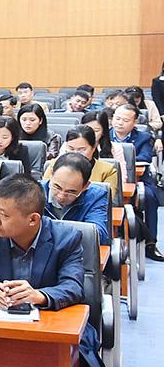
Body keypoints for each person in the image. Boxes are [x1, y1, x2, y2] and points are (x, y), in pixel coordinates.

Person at [0, 175, 102, 367]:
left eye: (3, 214)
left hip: (48, 331)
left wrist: (38, 296)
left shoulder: (66, 238)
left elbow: (73, 286)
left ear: (33, 219)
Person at [111, 103, 163, 260]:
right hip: (111, 180)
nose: (120, 122)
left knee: (150, 197)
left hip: (139, 181)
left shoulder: (144, 138)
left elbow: (145, 158)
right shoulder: (104, 136)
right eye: (117, 118)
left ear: (134, 122)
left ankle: (150, 243)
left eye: (125, 120)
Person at [40, 153, 111, 244]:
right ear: (51, 175)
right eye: (57, 187)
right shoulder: (35, 191)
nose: (61, 196)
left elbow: (97, 234)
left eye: (70, 192)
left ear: (85, 186)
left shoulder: (96, 196)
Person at [43, 127, 119, 196]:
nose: (75, 154)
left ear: (93, 148)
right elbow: (44, 192)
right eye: (71, 149)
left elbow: (107, 199)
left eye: (81, 150)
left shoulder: (107, 170)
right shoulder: (54, 165)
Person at [81, 109, 127, 182]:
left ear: (103, 131)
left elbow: (122, 177)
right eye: (87, 129)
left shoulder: (115, 148)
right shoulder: (69, 145)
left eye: (96, 131)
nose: (91, 134)